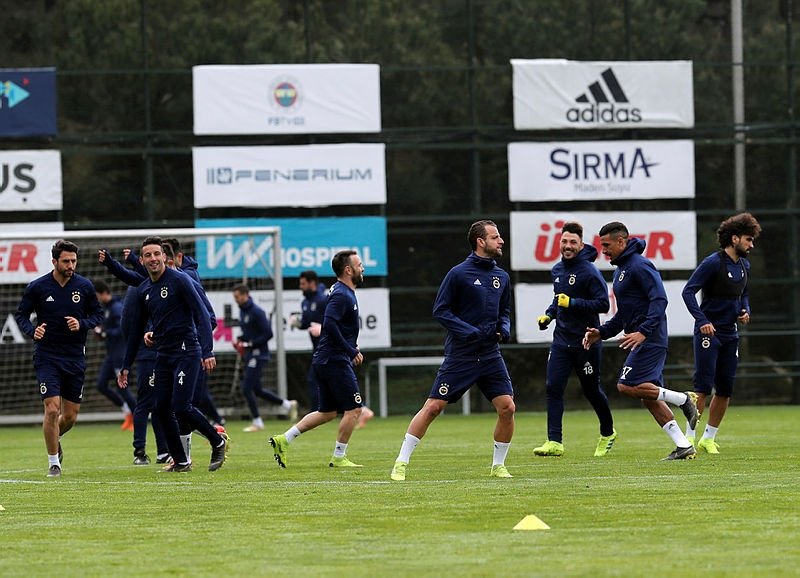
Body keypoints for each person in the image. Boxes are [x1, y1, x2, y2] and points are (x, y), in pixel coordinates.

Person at [390, 220, 515, 481]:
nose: (501, 241)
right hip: (462, 354)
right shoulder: (458, 274)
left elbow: (504, 311)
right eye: (495, 237)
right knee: (433, 407)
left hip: (490, 354)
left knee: (507, 408)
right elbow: (441, 311)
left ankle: (498, 465)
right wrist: (469, 332)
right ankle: (401, 462)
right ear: (480, 241)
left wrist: (504, 328)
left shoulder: (501, 277)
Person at [582, 222, 699, 461]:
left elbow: (660, 299)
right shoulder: (621, 270)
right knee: (649, 397)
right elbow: (623, 315)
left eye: (607, 245)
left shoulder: (639, 265)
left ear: (621, 242)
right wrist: (601, 333)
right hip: (642, 338)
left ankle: (684, 399)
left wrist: (644, 332)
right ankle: (683, 445)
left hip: (651, 338)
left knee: (626, 385)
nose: (604, 251)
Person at [118, 237, 228, 472]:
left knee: (181, 406)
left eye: (157, 254)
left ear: (164, 257)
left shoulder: (180, 280)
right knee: (159, 408)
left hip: (187, 352)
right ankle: (181, 461)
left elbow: (202, 314)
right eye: (148, 255)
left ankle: (217, 440)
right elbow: (137, 329)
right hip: (163, 355)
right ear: (142, 260)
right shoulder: (144, 288)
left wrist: (207, 350)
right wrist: (127, 364)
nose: (153, 259)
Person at [268, 250, 367, 469]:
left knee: (327, 412)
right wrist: (350, 350)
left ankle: (284, 439)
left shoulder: (343, 291)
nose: (363, 268)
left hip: (326, 359)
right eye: (359, 265)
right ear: (348, 270)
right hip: (334, 360)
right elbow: (329, 324)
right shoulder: (341, 294)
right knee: (354, 409)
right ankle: (339, 457)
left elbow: (337, 326)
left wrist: (351, 345)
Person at [15, 240, 104, 477]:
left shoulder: (84, 286)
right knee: (52, 409)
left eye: (73, 261)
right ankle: (54, 463)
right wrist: (32, 331)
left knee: (71, 416)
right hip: (47, 356)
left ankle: (55, 437)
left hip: (74, 357)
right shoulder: (38, 287)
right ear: (54, 261)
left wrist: (82, 323)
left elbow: (98, 315)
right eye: (66, 261)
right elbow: (21, 315)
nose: (70, 265)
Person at [534, 221, 616, 457]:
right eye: (564, 241)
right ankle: (554, 442)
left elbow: (603, 304)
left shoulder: (589, 271)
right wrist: (549, 315)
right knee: (553, 387)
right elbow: (558, 299)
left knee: (591, 390)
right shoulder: (557, 270)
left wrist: (573, 303)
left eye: (572, 242)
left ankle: (608, 432)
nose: (567, 246)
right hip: (561, 341)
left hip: (586, 341)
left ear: (581, 245)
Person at [681, 212, 761, 454]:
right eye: (748, 239)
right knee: (702, 389)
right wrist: (702, 320)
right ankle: (688, 440)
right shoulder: (713, 263)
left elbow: (743, 294)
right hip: (709, 334)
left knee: (726, 388)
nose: (751, 245)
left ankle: (708, 438)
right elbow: (688, 291)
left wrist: (745, 310)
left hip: (730, 334)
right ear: (734, 239)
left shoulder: (744, 265)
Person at [291, 269, 374, 426]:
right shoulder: (306, 302)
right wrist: (299, 323)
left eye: (303, 283)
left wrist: (322, 329)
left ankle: (358, 409)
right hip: (321, 351)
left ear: (312, 283)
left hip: (333, 350)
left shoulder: (325, 298)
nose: (300, 287)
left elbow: (333, 322)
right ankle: (356, 409)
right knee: (331, 383)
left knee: (326, 381)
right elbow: (309, 323)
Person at [232, 283, 297, 432]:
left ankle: (257, 422)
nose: (236, 300)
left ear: (245, 295)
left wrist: (250, 344)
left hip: (259, 355)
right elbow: (249, 334)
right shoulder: (243, 312)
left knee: (247, 388)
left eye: (237, 296)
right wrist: (241, 340)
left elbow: (268, 333)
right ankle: (288, 405)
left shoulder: (257, 311)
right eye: (234, 297)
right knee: (257, 389)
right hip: (251, 354)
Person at [92, 279, 137, 432]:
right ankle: (127, 411)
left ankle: (137, 417)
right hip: (111, 355)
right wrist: (101, 333)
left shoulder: (117, 307)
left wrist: (105, 333)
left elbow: (122, 330)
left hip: (120, 355)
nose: (96, 299)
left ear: (103, 293)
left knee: (122, 387)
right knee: (101, 384)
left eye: (97, 295)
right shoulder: (107, 308)